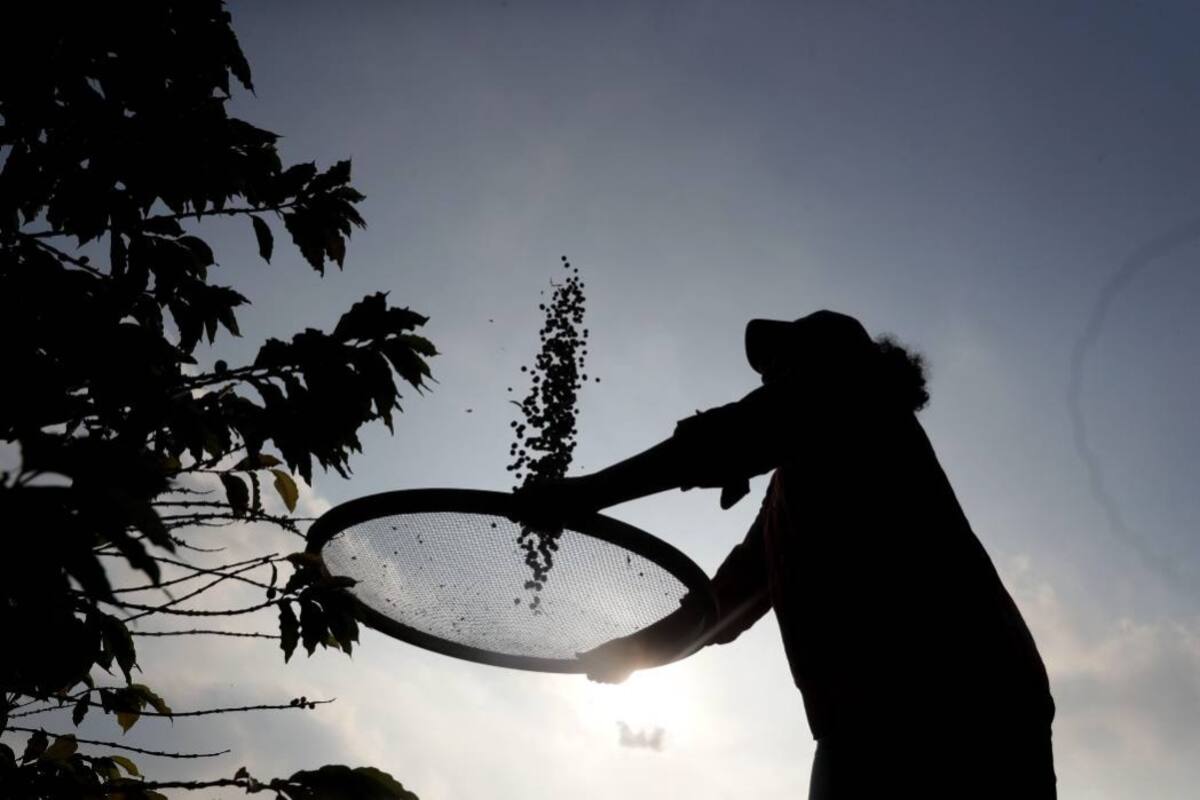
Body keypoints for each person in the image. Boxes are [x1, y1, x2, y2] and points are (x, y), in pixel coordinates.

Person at [514, 310, 1057, 799]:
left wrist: (585, 493)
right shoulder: (790, 493)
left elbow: (729, 437)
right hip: (860, 718)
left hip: (966, 698)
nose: (769, 377)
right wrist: (635, 651)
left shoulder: (861, 402)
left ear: (833, 358)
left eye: (782, 362)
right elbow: (727, 602)